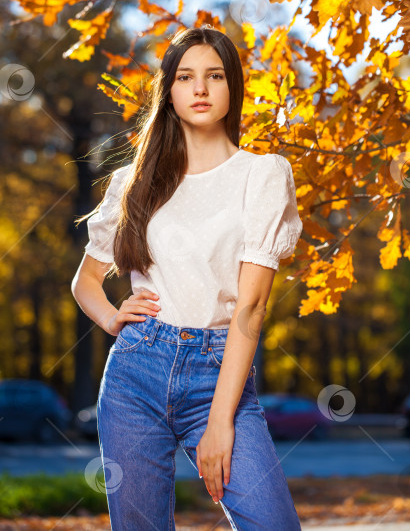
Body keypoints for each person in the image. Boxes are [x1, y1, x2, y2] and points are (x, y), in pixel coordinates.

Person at [71, 26, 303, 531]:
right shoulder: (133, 182)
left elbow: (251, 307)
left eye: (214, 76)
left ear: (232, 88)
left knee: (273, 524)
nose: (200, 89)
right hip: (135, 374)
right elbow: (85, 281)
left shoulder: (262, 174)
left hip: (220, 371)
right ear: (169, 91)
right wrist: (113, 319)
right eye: (185, 77)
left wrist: (220, 420)